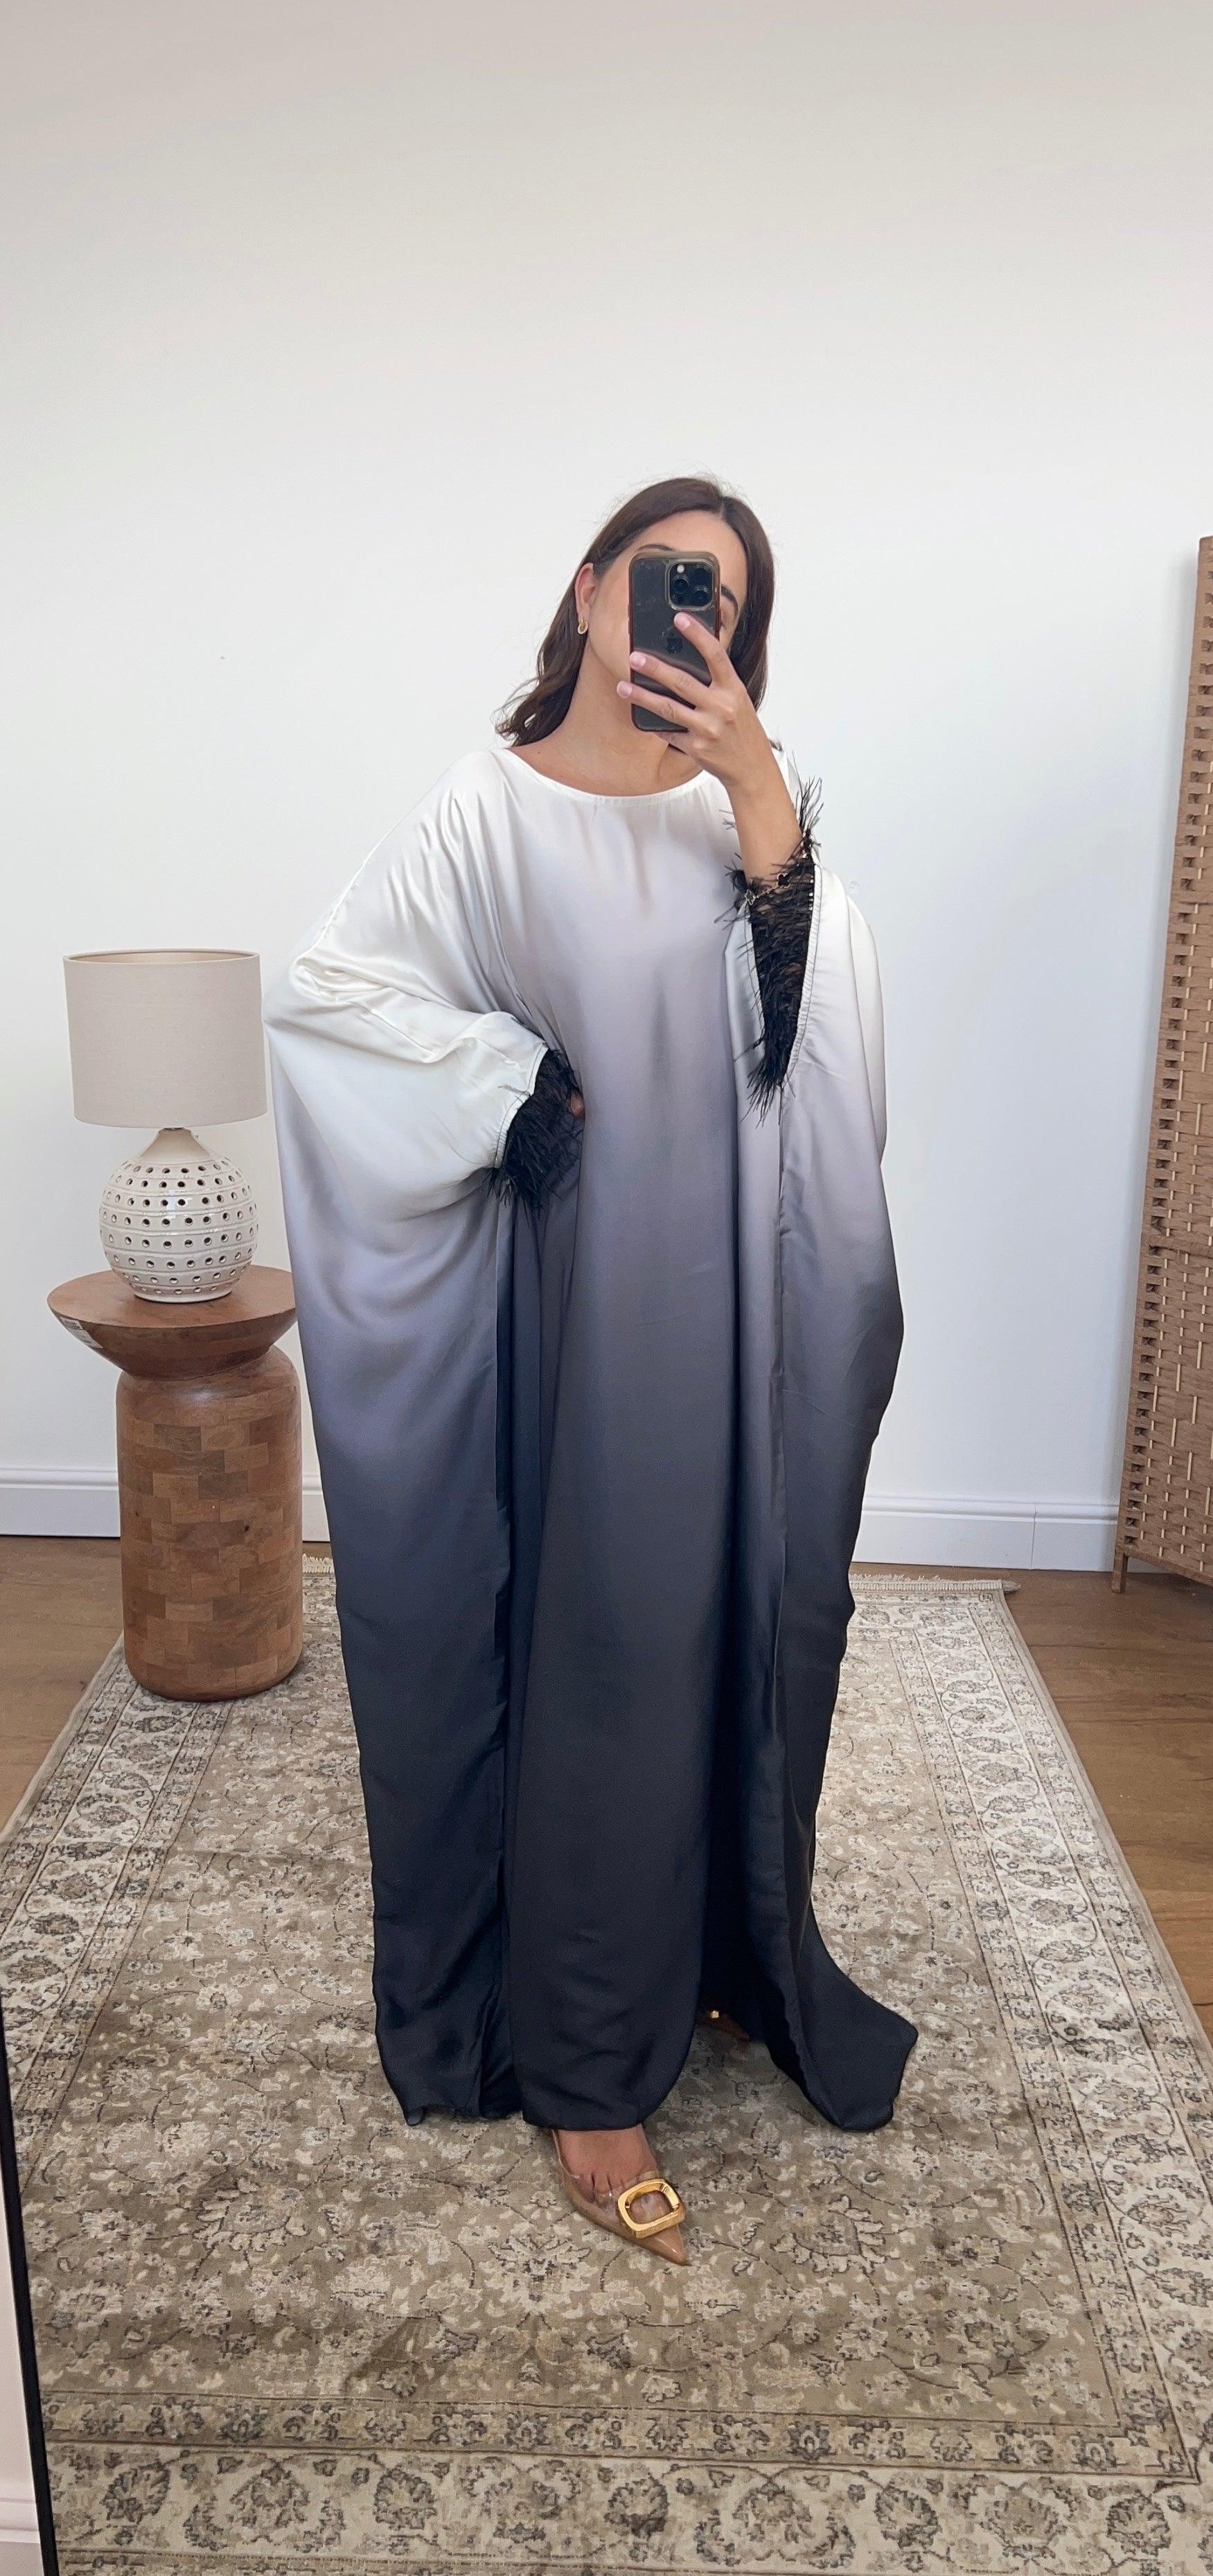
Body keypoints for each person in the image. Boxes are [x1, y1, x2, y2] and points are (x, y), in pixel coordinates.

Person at [262, 473, 917, 2267]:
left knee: (738, 1621)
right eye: (665, 578)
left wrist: (763, 797)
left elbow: (810, 1050)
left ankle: (714, 1948)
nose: (688, 617)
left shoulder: (742, 813)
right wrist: (515, 1093)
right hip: (574, 1318)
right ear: (587, 587)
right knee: (609, 1644)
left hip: (739, 1306)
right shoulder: (483, 814)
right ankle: (582, 2055)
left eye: (726, 603)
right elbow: (332, 995)